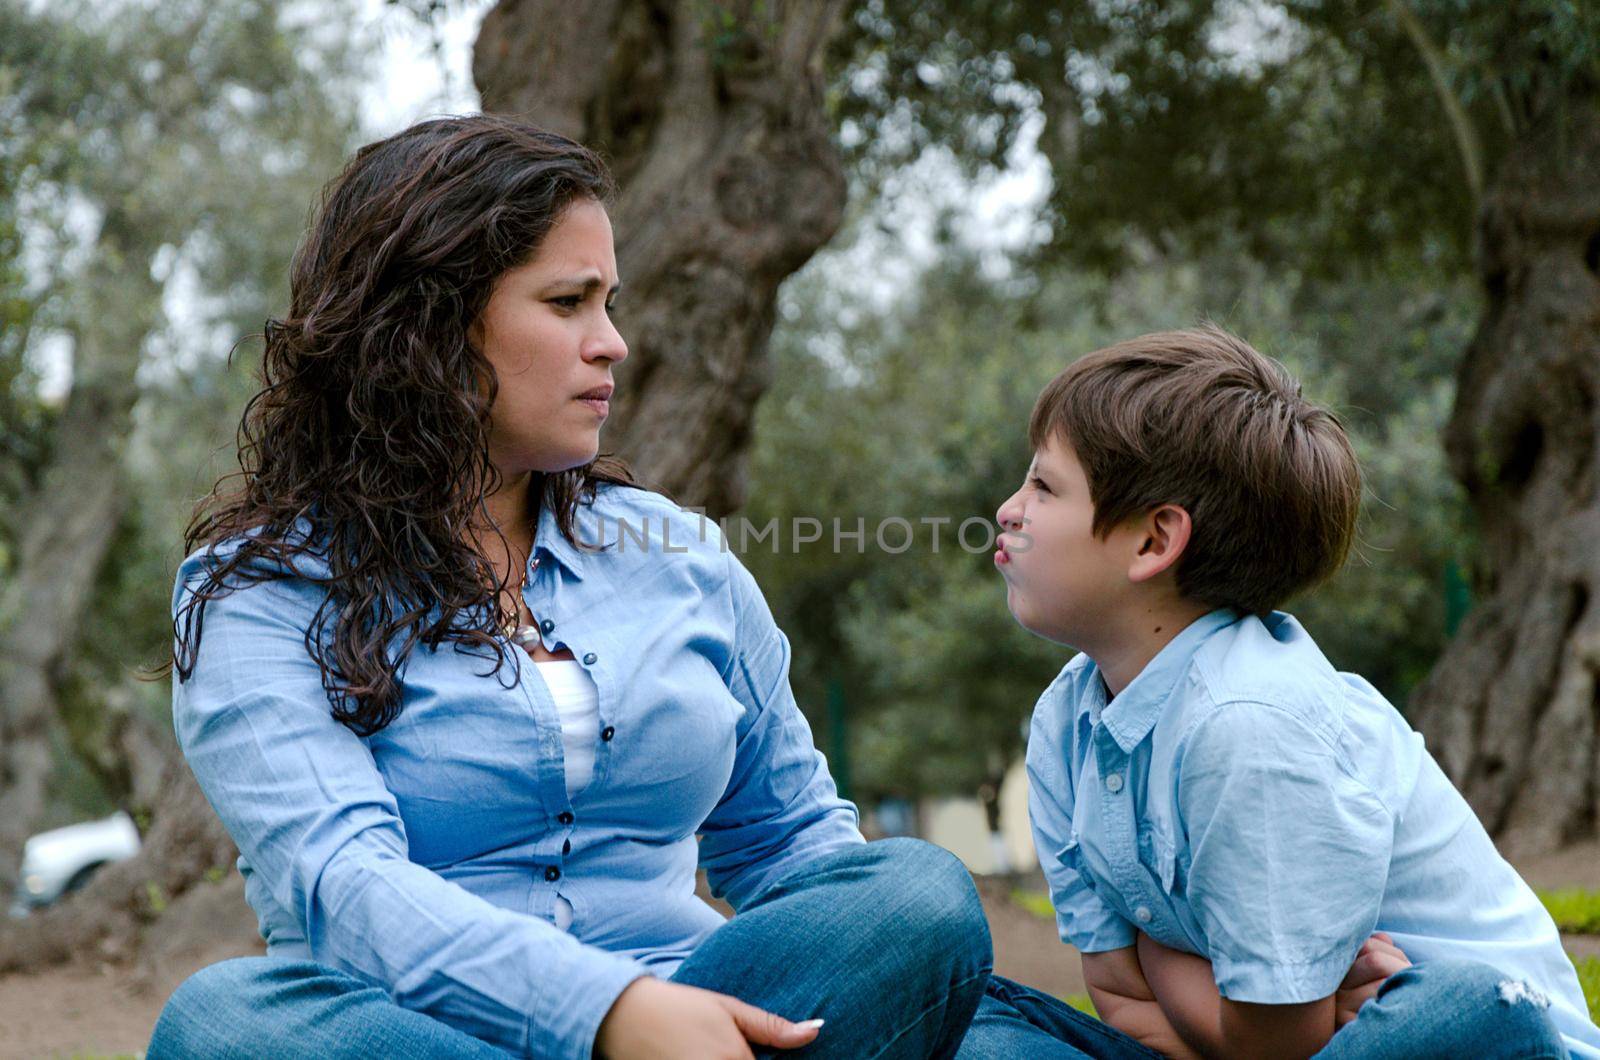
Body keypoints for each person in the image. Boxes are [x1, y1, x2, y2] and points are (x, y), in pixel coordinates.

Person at [146, 114, 991, 1060]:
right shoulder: (258, 589)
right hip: (417, 1035)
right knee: (227, 1022)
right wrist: (607, 1013)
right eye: (568, 302)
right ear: (426, 328)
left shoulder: (681, 559)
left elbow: (792, 845)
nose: (613, 344)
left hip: (702, 1018)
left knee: (913, 896)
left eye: (610, 302)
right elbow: (345, 884)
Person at [959, 325, 1597, 1059]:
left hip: (1451, 1042)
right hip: (1285, 1044)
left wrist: (1159, 960)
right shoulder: (1063, 725)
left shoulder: (1251, 727)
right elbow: (1121, 999)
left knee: (1469, 1008)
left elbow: (1273, 1042)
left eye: (1044, 485)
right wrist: (1188, 989)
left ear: (1152, 542)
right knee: (962, 1015)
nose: (1009, 510)